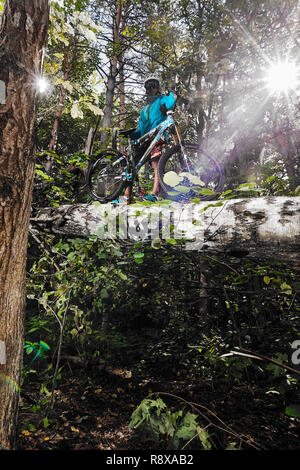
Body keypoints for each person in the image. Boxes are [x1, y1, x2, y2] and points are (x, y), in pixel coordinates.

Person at [113, 76, 177, 204]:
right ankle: (126, 197)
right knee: (131, 166)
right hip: (145, 139)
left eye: (153, 85)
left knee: (156, 164)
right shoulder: (144, 110)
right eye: (147, 86)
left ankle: (154, 194)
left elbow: (171, 102)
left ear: (157, 88)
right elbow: (140, 129)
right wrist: (131, 134)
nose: (150, 88)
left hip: (158, 137)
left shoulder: (161, 100)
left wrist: (173, 91)